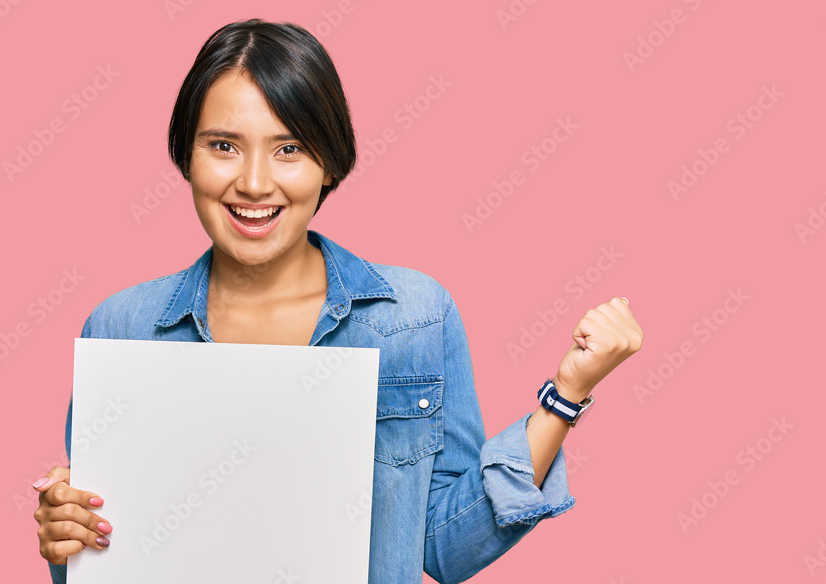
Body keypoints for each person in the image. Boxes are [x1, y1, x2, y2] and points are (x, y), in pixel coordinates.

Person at [31, 18, 643, 584]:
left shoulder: (415, 318)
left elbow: (447, 549)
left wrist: (566, 394)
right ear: (186, 155)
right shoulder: (121, 326)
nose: (252, 182)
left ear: (329, 162)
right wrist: (64, 536)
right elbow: (100, 559)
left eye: (289, 148)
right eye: (222, 145)